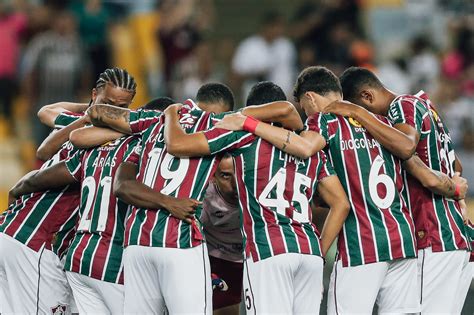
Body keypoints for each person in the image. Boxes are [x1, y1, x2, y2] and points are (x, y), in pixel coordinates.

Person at [87, 82, 302, 313]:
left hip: (137, 241)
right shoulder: (219, 125)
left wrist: (168, 115)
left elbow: (96, 112)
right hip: (180, 238)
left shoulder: (154, 120)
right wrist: (245, 117)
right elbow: (288, 111)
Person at [162, 88, 350, 313]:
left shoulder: (245, 136)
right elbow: (341, 203)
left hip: (268, 250)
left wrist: (172, 114)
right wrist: (318, 253)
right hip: (309, 253)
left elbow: (178, 146)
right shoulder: (311, 150)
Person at [0, 67, 137, 314]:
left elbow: (47, 116)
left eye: (121, 106)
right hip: (35, 242)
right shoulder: (100, 138)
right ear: (94, 93)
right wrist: (89, 112)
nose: (112, 111)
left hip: (11, 231)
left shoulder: (92, 130)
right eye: (107, 103)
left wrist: (93, 109)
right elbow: (43, 143)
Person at [337, 67, 471, 313]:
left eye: (362, 111)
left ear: (367, 97)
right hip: (453, 237)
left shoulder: (402, 105)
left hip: (433, 234)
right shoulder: (426, 107)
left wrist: (356, 112)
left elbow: (406, 145)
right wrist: (454, 185)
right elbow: (456, 165)